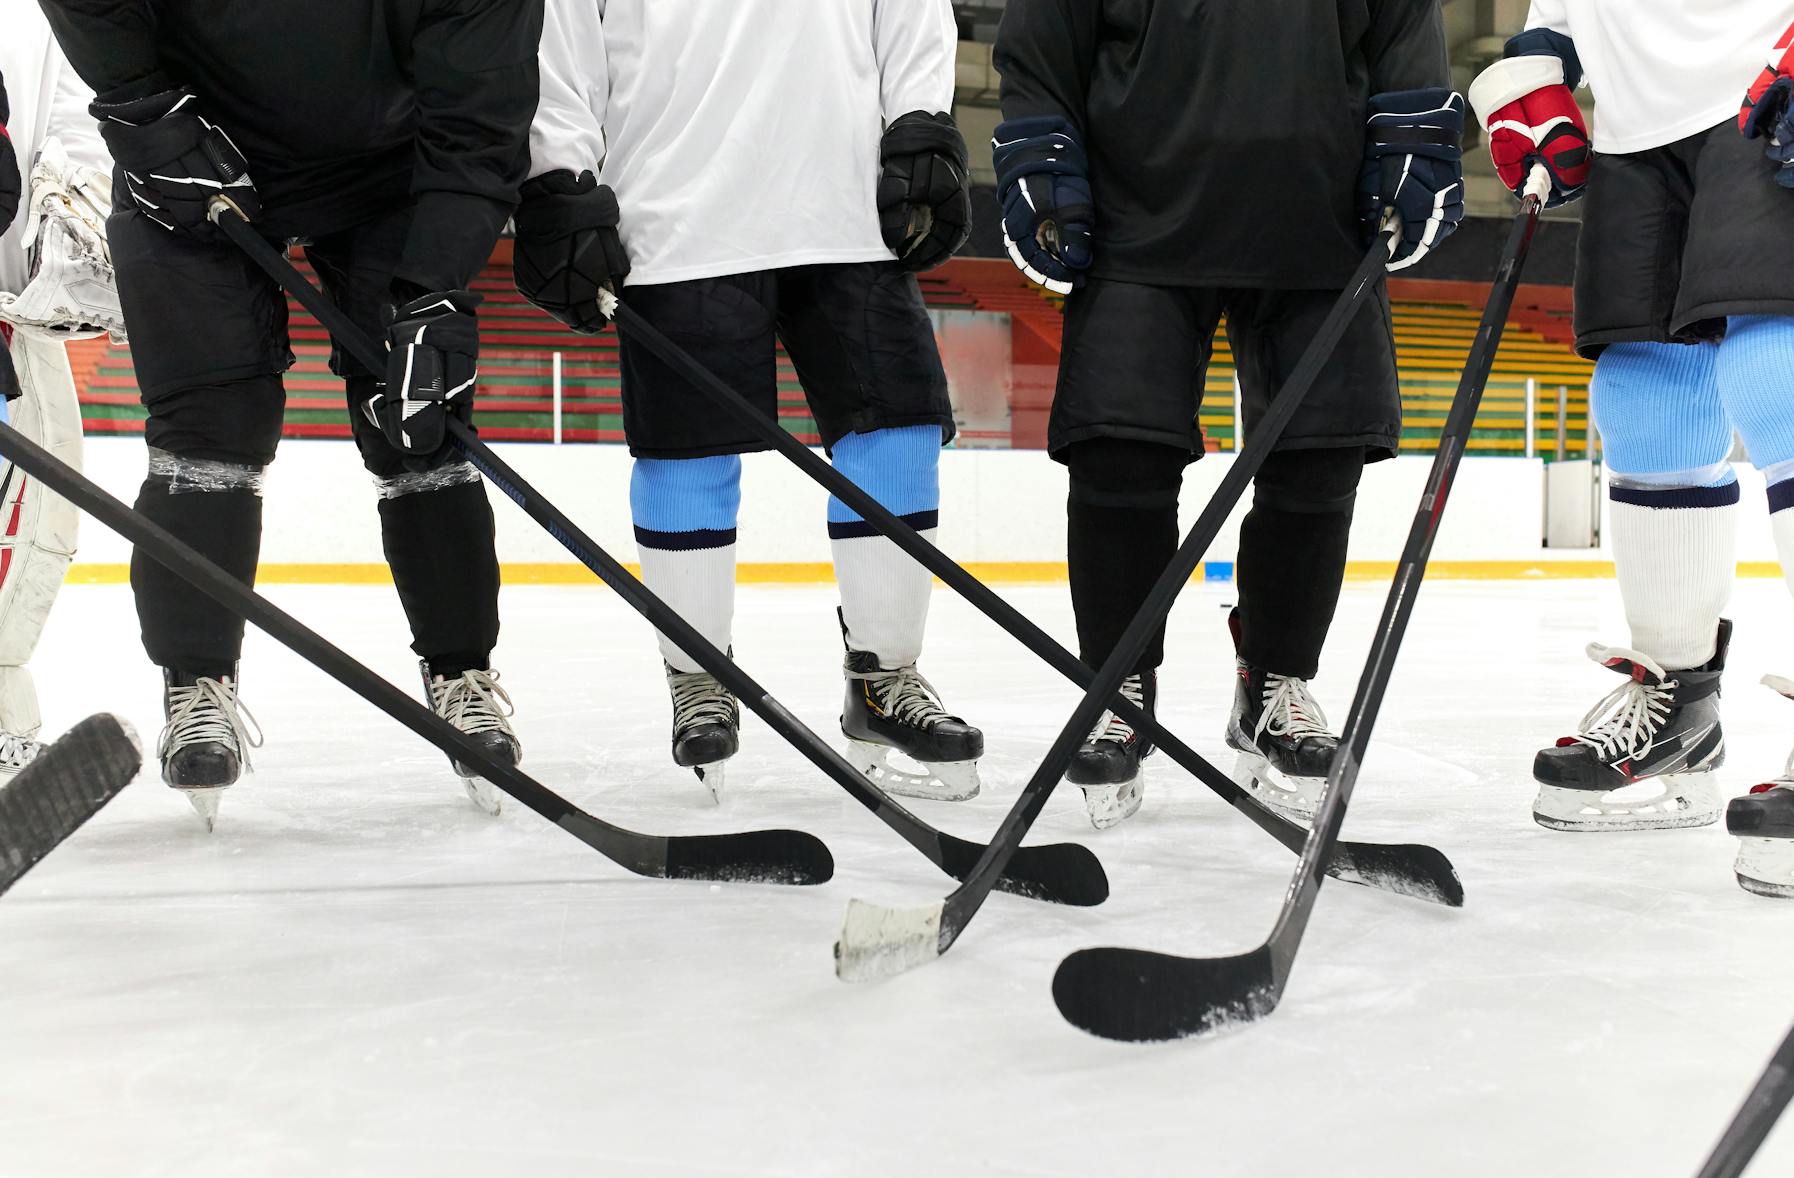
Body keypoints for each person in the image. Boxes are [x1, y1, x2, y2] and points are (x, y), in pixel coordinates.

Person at [39, 0, 542, 826]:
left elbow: (481, 115)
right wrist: (141, 104)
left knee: (418, 418)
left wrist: (434, 289)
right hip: (191, 143)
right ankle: (196, 681)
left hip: (389, 169)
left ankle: (463, 673)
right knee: (211, 427)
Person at [991, 0, 1464, 828]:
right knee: (1119, 447)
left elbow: (1403, 33)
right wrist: (1040, 143)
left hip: (1320, 216)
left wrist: (1415, 132)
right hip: (1135, 216)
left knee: (1321, 452)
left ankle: (1274, 679)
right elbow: (1041, 42)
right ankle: (1118, 685)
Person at [520, 0, 984, 803]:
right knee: (686, 452)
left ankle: (885, 677)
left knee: (898, 430)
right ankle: (699, 674)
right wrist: (560, 175)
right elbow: (564, 43)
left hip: (846, 206)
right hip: (676, 208)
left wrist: (921, 118)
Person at [1474, 2, 1794, 897]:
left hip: (1793, 59)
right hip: (1633, 118)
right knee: (1647, 393)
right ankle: (1679, 709)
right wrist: (1545, 59)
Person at [0, 6, 115, 785]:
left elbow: (82, 102)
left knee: (40, 520)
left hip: (14, 313)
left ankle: (3, 713)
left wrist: (78, 211)